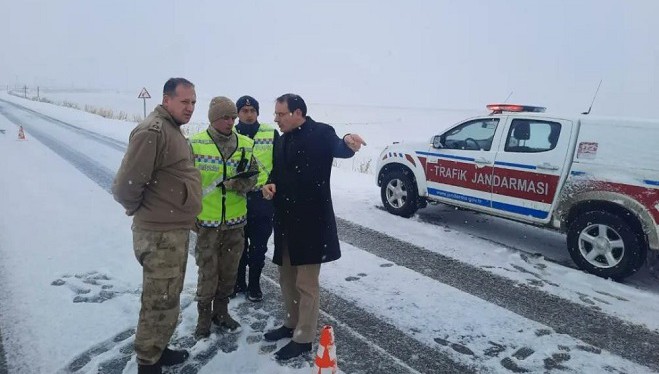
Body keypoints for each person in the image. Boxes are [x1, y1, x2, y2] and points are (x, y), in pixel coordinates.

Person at [261, 94, 366, 360]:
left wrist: (348, 142)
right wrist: (270, 184)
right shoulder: (282, 140)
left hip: (310, 223)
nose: (276, 119)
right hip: (285, 221)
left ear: (297, 113)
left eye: (280, 114)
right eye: (275, 114)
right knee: (286, 279)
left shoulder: (320, 132)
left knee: (306, 283)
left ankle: (304, 337)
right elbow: (277, 172)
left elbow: (338, 146)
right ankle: (291, 323)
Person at [112, 77, 202, 374]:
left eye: (193, 102)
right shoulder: (153, 131)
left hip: (172, 231)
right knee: (158, 301)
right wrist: (142, 210)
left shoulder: (171, 128)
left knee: (168, 297)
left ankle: (158, 349)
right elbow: (125, 186)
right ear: (166, 99)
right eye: (184, 101)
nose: (190, 108)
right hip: (159, 235)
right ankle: (148, 363)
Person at [189, 96, 258, 340]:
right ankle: (203, 318)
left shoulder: (246, 144)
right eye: (225, 118)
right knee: (208, 272)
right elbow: (185, 185)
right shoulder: (195, 144)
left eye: (232, 117)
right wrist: (189, 215)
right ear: (213, 119)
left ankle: (222, 313)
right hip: (206, 224)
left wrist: (240, 183)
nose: (230, 122)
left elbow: (254, 178)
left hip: (235, 223)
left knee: (229, 273)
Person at [233, 95, 279, 302]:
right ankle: (238, 282)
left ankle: (254, 285)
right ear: (238, 113)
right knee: (238, 245)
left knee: (259, 246)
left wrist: (273, 184)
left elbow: (280, 164)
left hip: (262, 199)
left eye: (252, 111)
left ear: (257, 113)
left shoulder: (271, 133)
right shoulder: (229, 134)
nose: (249, 115)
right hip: (238, 198)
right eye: (244, 111)